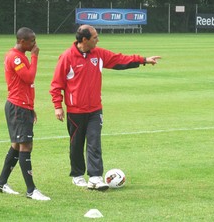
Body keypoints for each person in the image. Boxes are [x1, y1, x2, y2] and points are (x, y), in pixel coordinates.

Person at [49, 24, 161, 191]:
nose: (98, 39)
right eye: (95, 37)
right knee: (76, 143)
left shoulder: (98, 54)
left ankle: (95, 177)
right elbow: (57, 84)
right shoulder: (67, 57)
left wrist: (143, 60)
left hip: (95, 109)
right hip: (75, 110)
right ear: (85, 40)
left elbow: (119, 59)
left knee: (94, 141)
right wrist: (58, 106)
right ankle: (77, 174)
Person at [0, 27, 50, 201]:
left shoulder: (18, 55)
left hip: (22, 106)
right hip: (18, 106)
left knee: (17, 145)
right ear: (21, 41)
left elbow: (24, 84)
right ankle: (31, 190)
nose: (35, 44)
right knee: (26, 145)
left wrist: (30, 107)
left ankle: (1, 183)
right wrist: (35, 56)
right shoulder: (16, 57)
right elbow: (29, 78)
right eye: (32, 41)